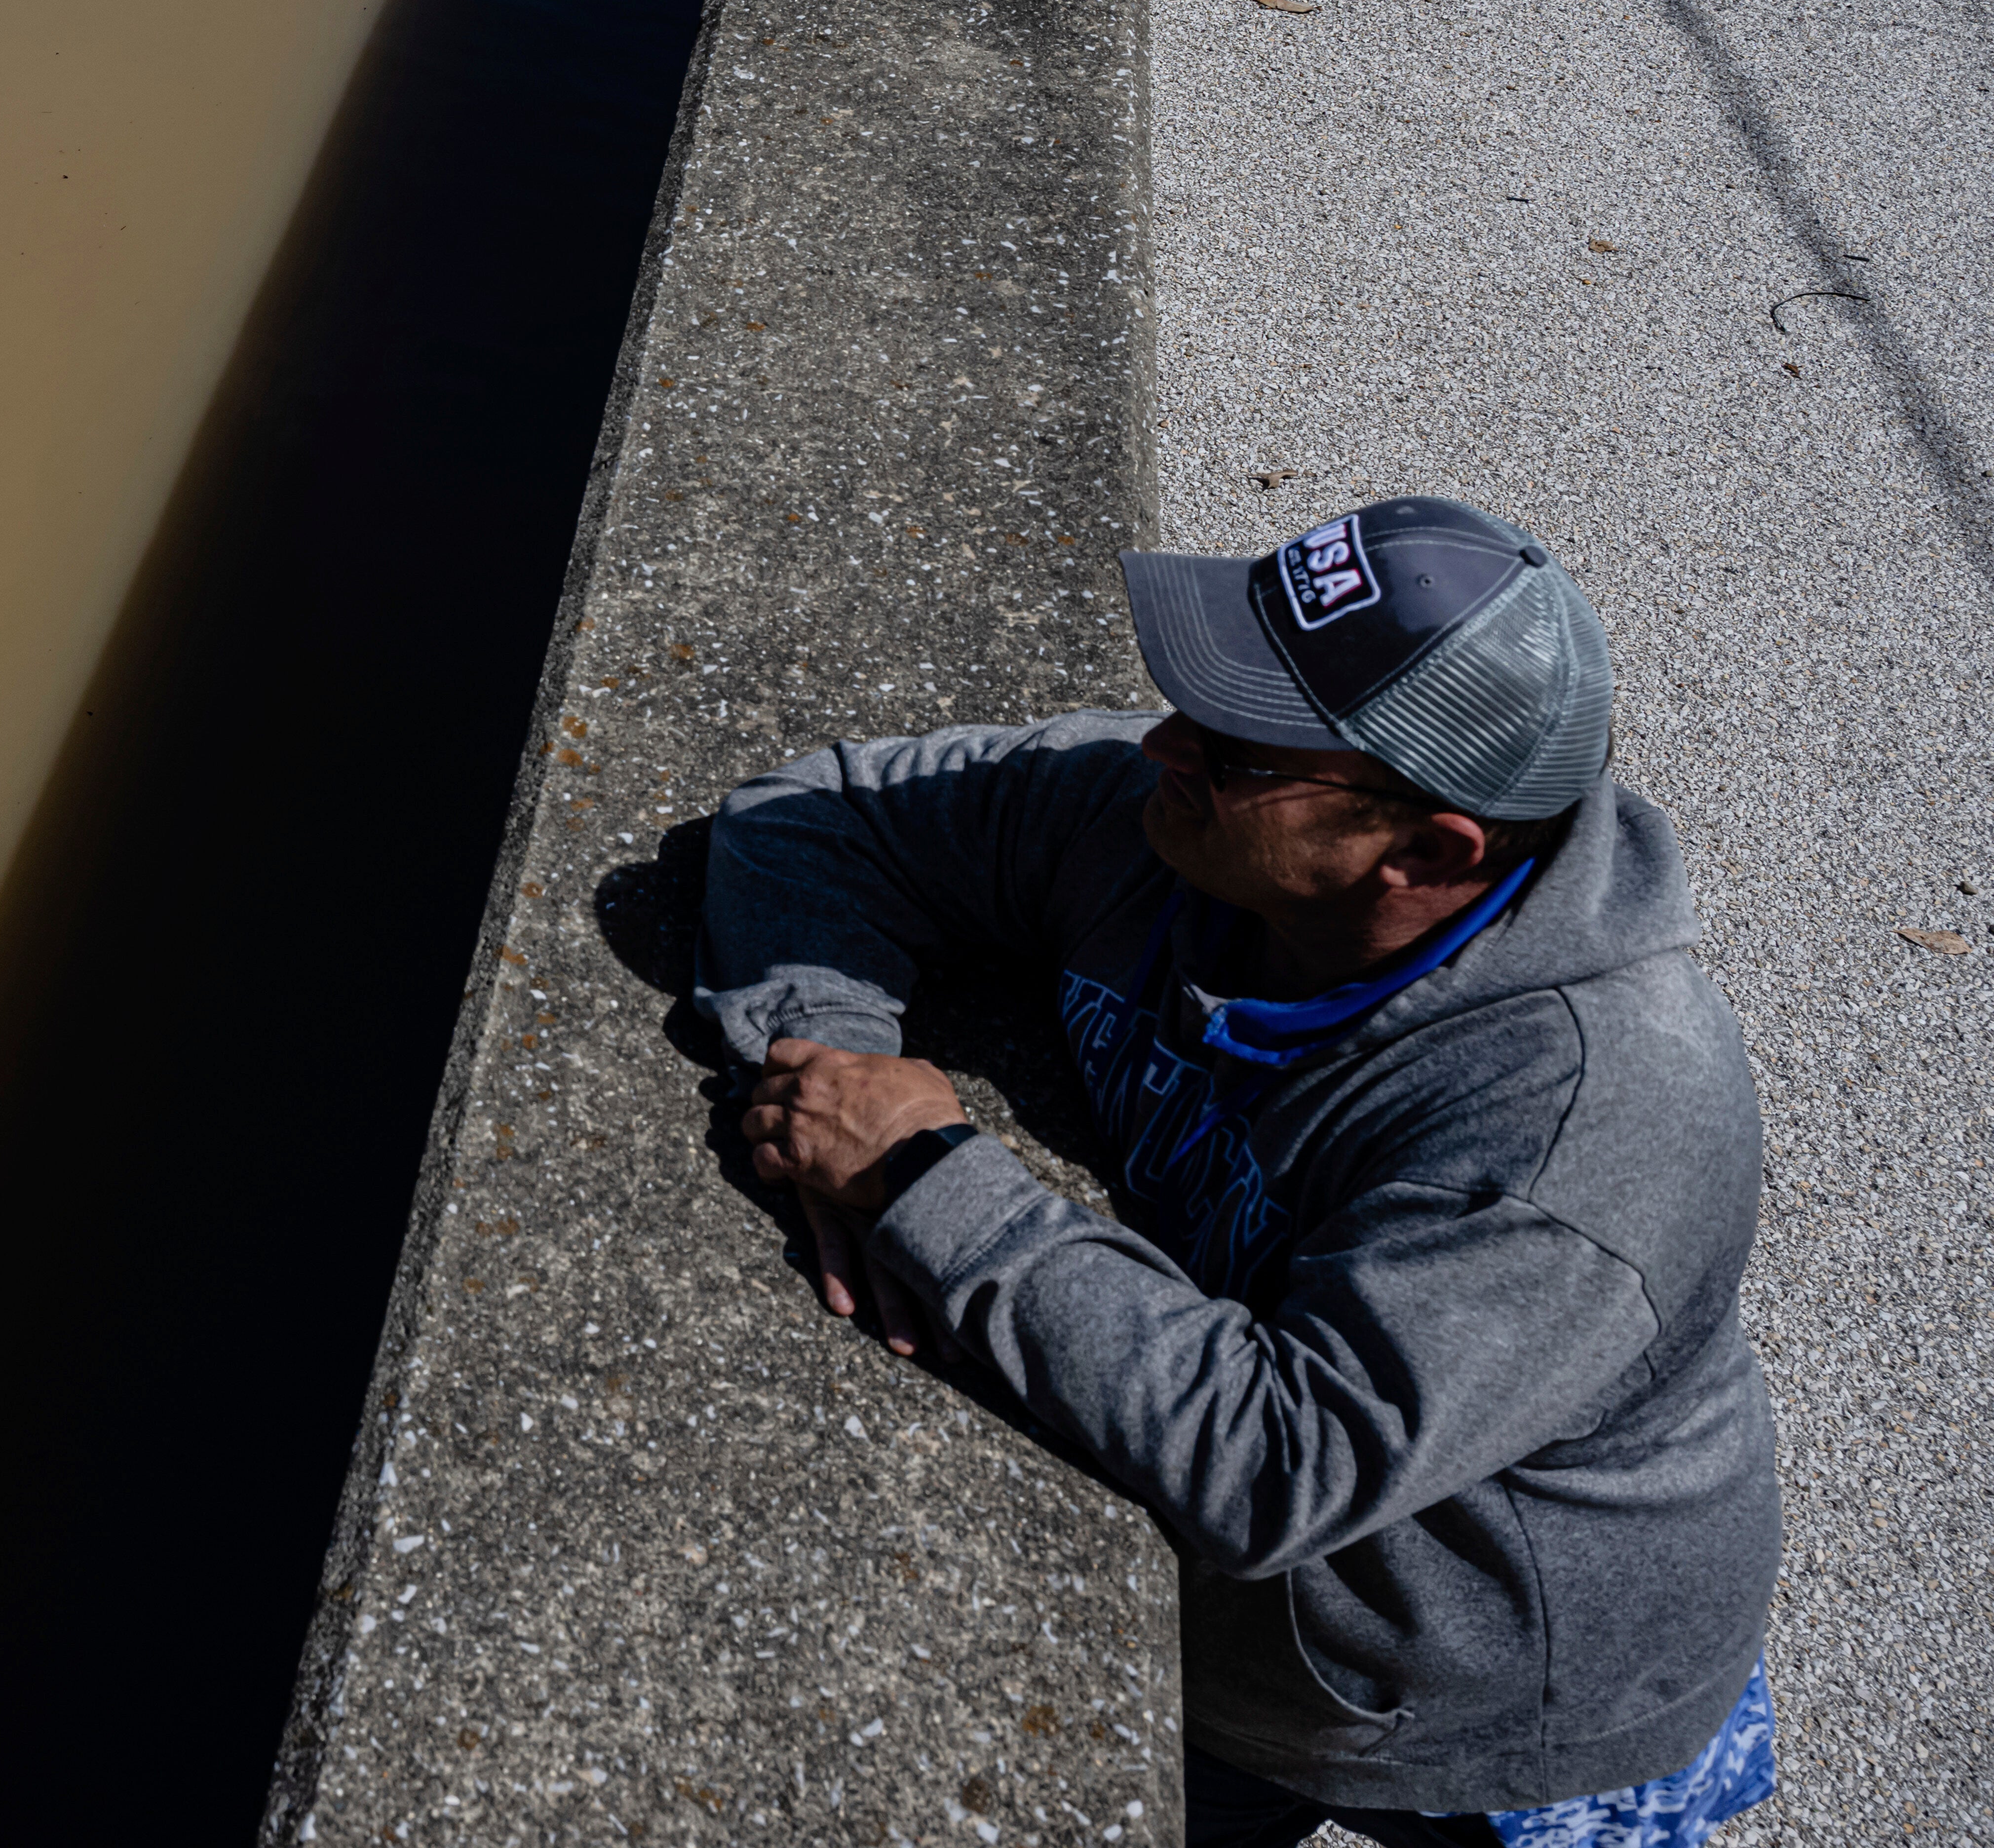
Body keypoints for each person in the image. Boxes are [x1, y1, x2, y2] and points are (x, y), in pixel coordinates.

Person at [699, 497, 1781, 1848]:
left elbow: (1282, 1462)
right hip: (1271, 1613)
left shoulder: (1587, 1127)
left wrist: (923, 1174)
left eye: (1233, 748)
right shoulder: (1184, 837)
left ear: (1425, 851)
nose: (1162, 745)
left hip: (1480, 1686)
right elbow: (814, 816)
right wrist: (833, 1075)